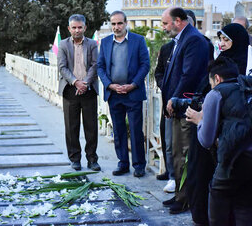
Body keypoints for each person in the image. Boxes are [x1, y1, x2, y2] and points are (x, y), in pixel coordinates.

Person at [186, 56, 252, 226]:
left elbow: (206, 140)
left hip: (232, 159)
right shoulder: (246, 87)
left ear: (216, 78)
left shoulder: (216, 93)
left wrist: (199, 120)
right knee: (244, 205)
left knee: (218, 200)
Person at [160, 7, 209, 214]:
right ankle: (180, 195)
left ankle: (187, 199)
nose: (163, 28)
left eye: (165, 23)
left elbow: (188, 75)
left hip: (185, 106)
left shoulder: (194, 40)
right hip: (177, 107)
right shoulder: (182, 39)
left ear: (178, 21)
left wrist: (174, 98)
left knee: (185, 155)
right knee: (177, 154)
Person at [97, 10, 150, 177]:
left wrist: (133, 85)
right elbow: (100, 67)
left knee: (135, 130)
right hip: (114, 94)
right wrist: (110, 85)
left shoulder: (138, 40)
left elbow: (145, 64)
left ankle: (139, 165)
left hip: (132, 93)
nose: (116, 27)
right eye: (113, 24)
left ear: (126, 23)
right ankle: (123, 163)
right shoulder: (105, 42)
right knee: (118, 130)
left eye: (119, 23)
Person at [57, 14, 101, 171]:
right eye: (74, 27)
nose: (77, 30)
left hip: (88, 90)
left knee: (91, 127)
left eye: (80, 27)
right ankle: (75, 159)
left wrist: (85, 83)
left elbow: (95, 65)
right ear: (69, 28)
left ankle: (92, 159)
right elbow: (62, 67)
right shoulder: (63, 45)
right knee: (71, 127)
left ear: (85, 28)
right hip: (70, 90)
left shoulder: (92, 44)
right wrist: (76, 82)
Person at [185, 9, 216, 226]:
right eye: (221, 39)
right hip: (194, 109)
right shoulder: (175, 46)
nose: (222, 43)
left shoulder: (205, 44)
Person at [155, 40, 175, 191]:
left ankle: (176, 177)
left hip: (184, 100)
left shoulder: (200, 44)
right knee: (165, 137)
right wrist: (165, 85)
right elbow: (158, 71)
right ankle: (169, 171)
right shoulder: (166, 47)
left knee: (179, 143)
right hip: (166, 98)